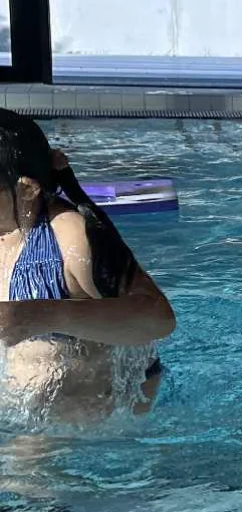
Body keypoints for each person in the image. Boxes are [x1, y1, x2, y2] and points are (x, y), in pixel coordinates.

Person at [0, 112, 176, 421]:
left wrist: (42, 315)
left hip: (95, 413)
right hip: (30, 403)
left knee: (26, 453)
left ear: (27, 189)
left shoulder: (71, 238)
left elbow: (159, 318)